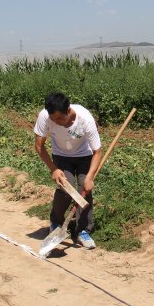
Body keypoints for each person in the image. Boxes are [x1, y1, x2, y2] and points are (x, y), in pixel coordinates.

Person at [34, 92, 102, 249]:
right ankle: (56, 223)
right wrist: (54, 169)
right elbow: (39, 146)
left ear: (68, 110)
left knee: (84, 189)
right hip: (61, 155)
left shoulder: (85, 119)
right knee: (66, 189)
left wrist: (90, 177)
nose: (56, 122)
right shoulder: (45, 116)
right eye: (53, 119)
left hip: (85, 155)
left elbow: (97, 151)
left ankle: (82, 231)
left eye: (59, 118)